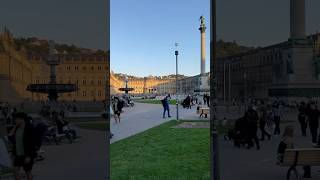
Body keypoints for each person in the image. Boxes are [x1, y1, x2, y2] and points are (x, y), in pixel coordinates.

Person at [8, 112, 36, 180]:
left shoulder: (29, 128)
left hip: (27, 154)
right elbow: (10, 137)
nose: (15, 120)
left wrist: (29, 156)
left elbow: (32, 143)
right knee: (15, 170)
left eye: (16, 119)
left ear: (22, 119)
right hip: (18, 154)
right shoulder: (16, 128)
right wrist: (15, 127)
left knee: (27, 171)